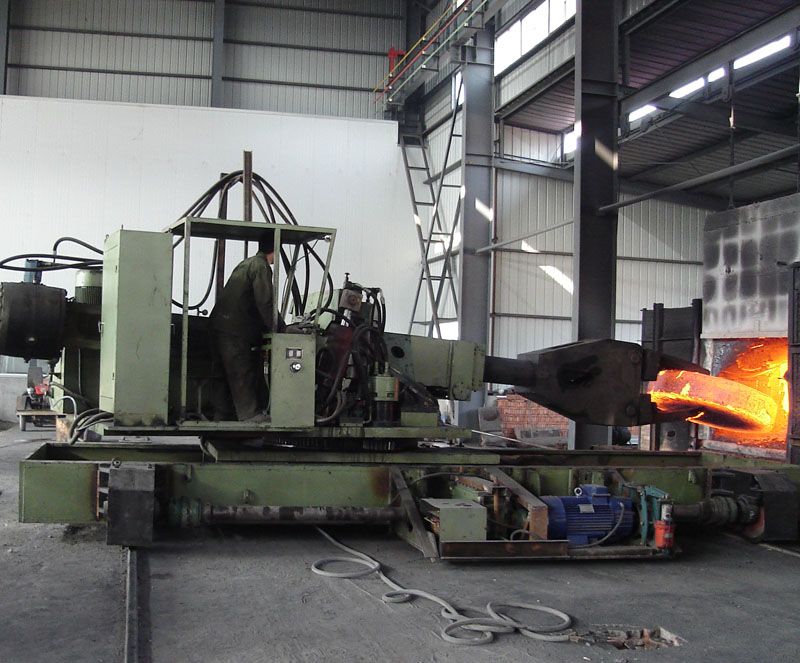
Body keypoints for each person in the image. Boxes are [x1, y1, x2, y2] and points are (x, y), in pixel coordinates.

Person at [210, 233, 276, 422]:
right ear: (275, 250)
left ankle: (222, 415)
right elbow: (265, 302)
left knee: (223, 373)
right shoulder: (261, 266)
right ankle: (250, 415)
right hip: (236, 328)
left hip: (219, 324)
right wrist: (280, 328)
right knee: (241, 371)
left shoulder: (247, 263)